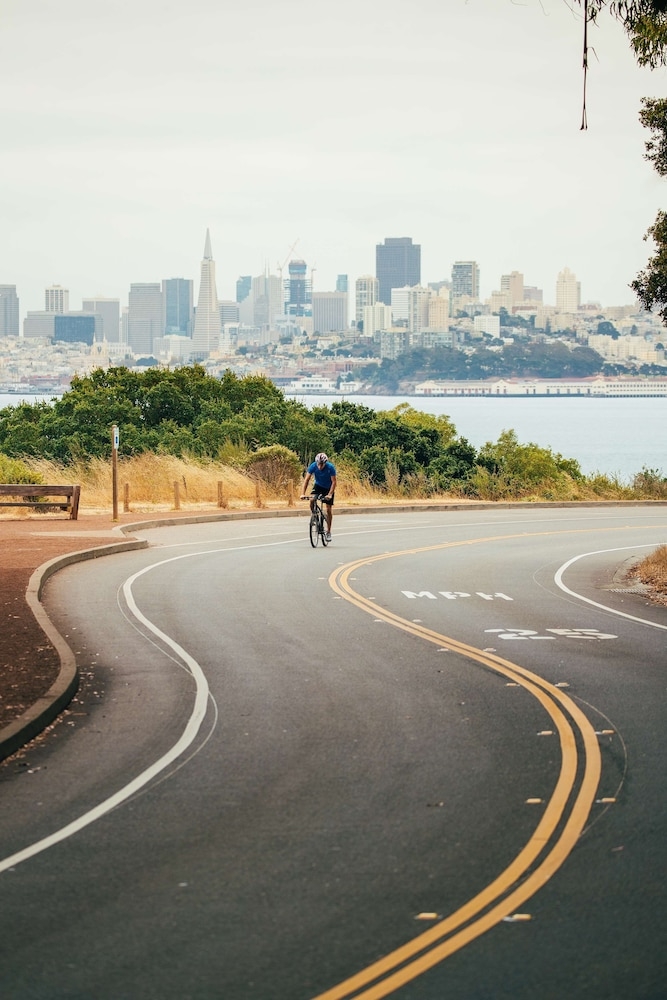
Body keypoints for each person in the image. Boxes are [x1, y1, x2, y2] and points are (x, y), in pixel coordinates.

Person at [301, 452, 336, 541]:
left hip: (328, 488)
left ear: (325, 463)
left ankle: (328, 531)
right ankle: (314, 515)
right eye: (318, 464)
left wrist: (330, 494)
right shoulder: (313, 466)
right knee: (312, 499)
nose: (320, 466)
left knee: (328, 509)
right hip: (318, 486)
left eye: (322, 464)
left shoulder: (330, 467)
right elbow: (306, 480)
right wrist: (303, 493)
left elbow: (334, 482)